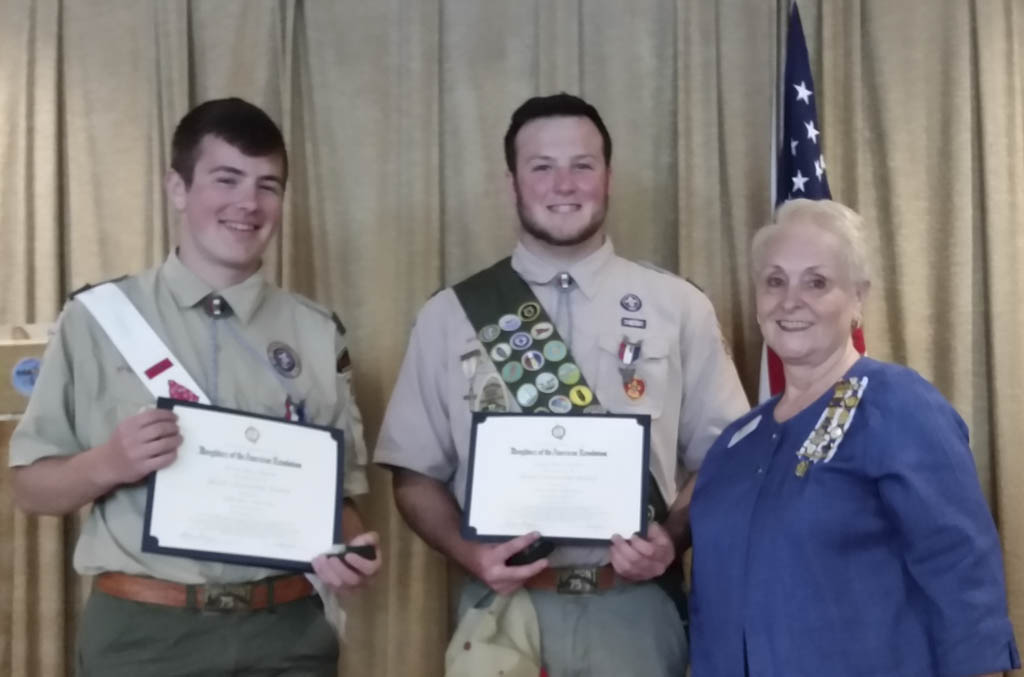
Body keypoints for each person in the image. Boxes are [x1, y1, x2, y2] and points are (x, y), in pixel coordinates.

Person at [374, 92, 750, 676]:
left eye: (582, 165)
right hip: (503, 615)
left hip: (637, 615)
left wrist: (672, 538)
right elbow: (414, 475)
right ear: (512, 183)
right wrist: (471, 554)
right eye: (541, 167)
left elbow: (725, 457)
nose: (564, 184)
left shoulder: (679, 307)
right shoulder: (451, 316)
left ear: (609, 177)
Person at [9, 97, 381, 676]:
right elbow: (31, 490)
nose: (248, 204)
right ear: (178, 188)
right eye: (226, 179)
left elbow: (341, 500)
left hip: (287, 632)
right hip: (144, 635)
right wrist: (108, 462)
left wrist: (353, 550)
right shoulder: (100, 319)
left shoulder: (316, 332)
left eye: (268, 186)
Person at [688, 198, 1020, 676]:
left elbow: (961, 571)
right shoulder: (737, 442)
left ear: (858, 298)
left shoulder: (900, 405)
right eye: (774, 281)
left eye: (817, 282)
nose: (790, 300)